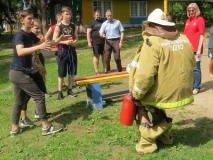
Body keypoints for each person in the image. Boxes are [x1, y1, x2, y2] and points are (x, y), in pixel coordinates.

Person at [128, 8, 195, 156]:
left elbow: (145, 75)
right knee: (159, 105)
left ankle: (147, 144)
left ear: (151, 25)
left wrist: (137, 93)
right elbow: (192, 63)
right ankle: (165, 137)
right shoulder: (184, 38)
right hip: (179, 91)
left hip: (160, 92)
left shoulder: (152, 42)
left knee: (141, 106)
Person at [9, 10, 63, 136]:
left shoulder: (29, 35)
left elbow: (44, 44)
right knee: (39, 96)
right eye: (29, 19)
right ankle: (46, 127)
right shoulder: (20, 35)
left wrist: (58, 41)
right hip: (19, 73)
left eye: (33, 18)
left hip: (17, 72)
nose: (32, 21)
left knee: (19, 101)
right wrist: (38, 47)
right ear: (22, 21)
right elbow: (20, 52)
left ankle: (14, 129)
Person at [53, 6, 78, 100]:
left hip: (72, 51)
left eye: (70, 14)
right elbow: (54, 40)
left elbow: (76, 37)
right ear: (62, 14)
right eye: (67, 14)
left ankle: (70, 89)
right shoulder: (58, 27)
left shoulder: (73, 26)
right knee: (61, 73)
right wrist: (64, 42)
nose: (68, 16)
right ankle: (60, 92)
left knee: (72, 72)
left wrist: (75, 41)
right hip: (62, 52)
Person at [184, 3, 205, 95]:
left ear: (196, 10)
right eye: (189, 10)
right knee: (189, 68)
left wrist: (199, 49)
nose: (191, 12)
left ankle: (196, 87)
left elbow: (202, 35)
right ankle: (191, 85)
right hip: (188, 49)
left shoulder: (200, 20)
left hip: (196, 48)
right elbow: (185, 35)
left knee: (196, 68)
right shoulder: (188, 21)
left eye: (193, 10)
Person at [87, 10, 106, 75]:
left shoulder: (103, 22)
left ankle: (105, 69)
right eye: (97, 15)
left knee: (104, 56)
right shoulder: (91, 23)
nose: (98, 16)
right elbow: (88, 33)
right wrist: (89, 42)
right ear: (94, 15)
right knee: (96, 56)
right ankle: (97, 71)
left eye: (99, 15)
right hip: (95, 42)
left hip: (103, 42)